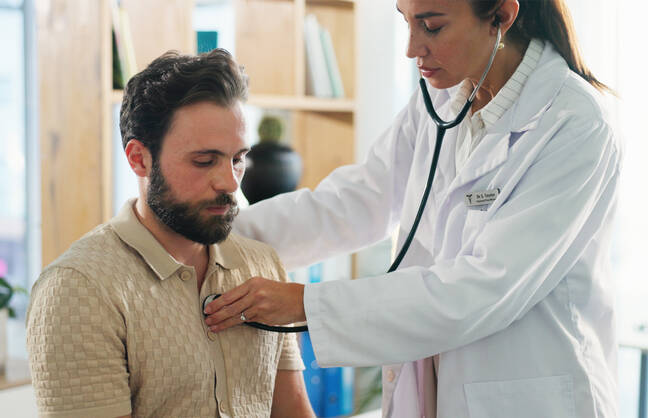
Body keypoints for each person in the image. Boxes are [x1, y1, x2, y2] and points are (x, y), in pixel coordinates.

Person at [204, 0, 622, 417]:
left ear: (501, 16)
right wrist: (212, 235)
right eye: (406, 23)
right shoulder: (442, 102)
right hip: (438, 388)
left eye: (432, 27)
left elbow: (481, 288)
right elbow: (354, 201)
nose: (411, 48)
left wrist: (305, 304)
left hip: (532, 398)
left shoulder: (576, 123)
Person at [26, 49, 314, 418]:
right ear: (138, 158)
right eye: (204, 161)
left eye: (238, 158)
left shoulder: (263, 264)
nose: (229, 182)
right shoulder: (77, 289)